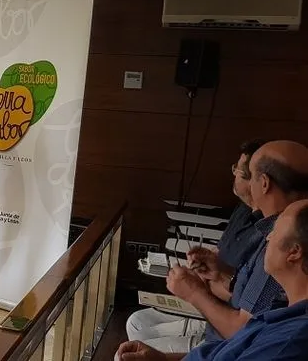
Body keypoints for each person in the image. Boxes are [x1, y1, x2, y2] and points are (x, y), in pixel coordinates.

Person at [125, 140, 308, 354]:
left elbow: (242, 332)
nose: (269, 237)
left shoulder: (285, 243)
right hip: (217, 341)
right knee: (137, 325)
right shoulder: (274, 231)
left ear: (264, 183)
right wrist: (222, 274)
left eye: (250, 176)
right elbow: (251, 304)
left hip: (218, 342)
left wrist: (194, 293)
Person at [115, 199, 308, 361]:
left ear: (294, 252)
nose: (268, 237)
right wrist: (162, 359)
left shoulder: (286, 343)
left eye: (275, 230)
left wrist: (194, 293)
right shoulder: (282, 312)